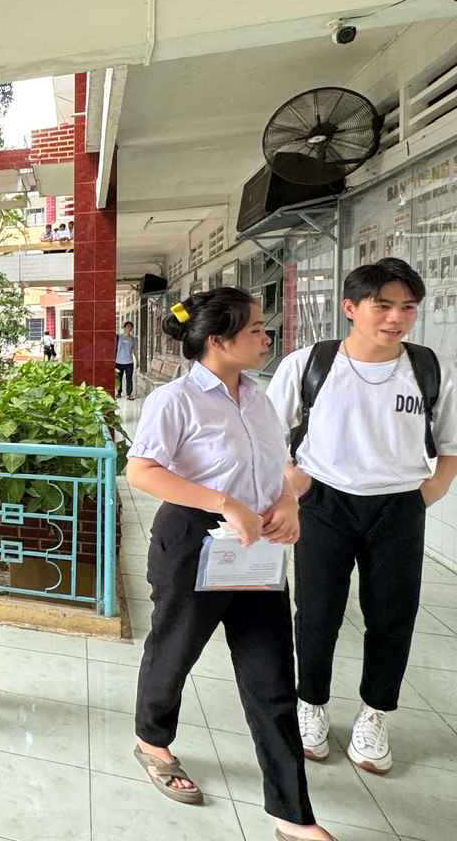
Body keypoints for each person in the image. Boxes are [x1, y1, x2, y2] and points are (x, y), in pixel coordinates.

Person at [127, 288, 336, 841]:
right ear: (218, 341)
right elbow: (143, 471)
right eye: (255, 330)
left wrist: (289, 503)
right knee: (173, 653)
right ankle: (152, 739)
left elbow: (285, 469)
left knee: (271, 677)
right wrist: (224, 502)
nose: (266, 338)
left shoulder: (260, 399)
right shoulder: (175, 400)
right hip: (194, 544)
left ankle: (292, 814)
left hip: (258, 552)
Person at [267, 258, 457, 774]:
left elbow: (449, 445)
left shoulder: (429, 368)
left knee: (393, 614)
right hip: (325, 503)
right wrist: (292, 478)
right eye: (383, 305)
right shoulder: (310, 364)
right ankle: (311, 705)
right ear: (351, 308)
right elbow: (266, 431)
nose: (396, 318)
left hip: (398, 506)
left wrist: (428, 492)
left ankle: (375, 714)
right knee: (317, 610)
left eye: (407, 308)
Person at [116, 321, 138, 400]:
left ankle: (129, 394)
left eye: (130, 327)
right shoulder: (118, 337)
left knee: (129, 378)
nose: (129, 328)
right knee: (118, 379)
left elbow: (135, 351)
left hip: (129, 362)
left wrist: (137, 360)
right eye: (127, 326)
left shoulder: (133, 339)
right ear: (124, 328)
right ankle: (119, 392)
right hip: (118, 362)